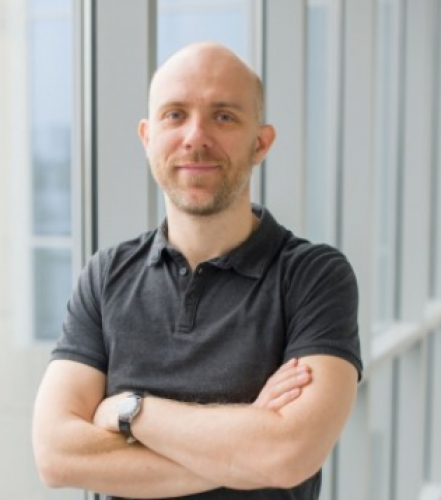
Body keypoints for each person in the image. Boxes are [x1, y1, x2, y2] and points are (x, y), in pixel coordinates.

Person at [32, 42, 362, 500]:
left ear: (261, 143)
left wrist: (129, 412)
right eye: (175, 115)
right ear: (147, 137)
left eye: (223, 116)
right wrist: (245, 451)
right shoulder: (106, 275)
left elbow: (287, 454)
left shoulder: (313, 277)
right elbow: (56, 455)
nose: (196, 137)